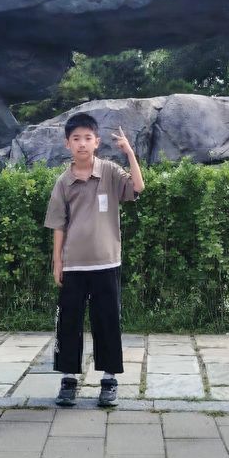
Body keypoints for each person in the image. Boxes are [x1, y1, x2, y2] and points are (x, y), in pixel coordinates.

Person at [43, 112, 144, 408]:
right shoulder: (63, 182)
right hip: (74, 265)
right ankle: (69, 380)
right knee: (69, 324)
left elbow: (138, 188)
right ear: (67, 144)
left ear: (97, 142)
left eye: (88, 138)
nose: (82, 144)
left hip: (106, 263)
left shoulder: (110, 172)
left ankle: (109, 380)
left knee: (108, 322)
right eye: (76, 139)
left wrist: (130, 153)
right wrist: (57, 262)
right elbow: (58, 225)